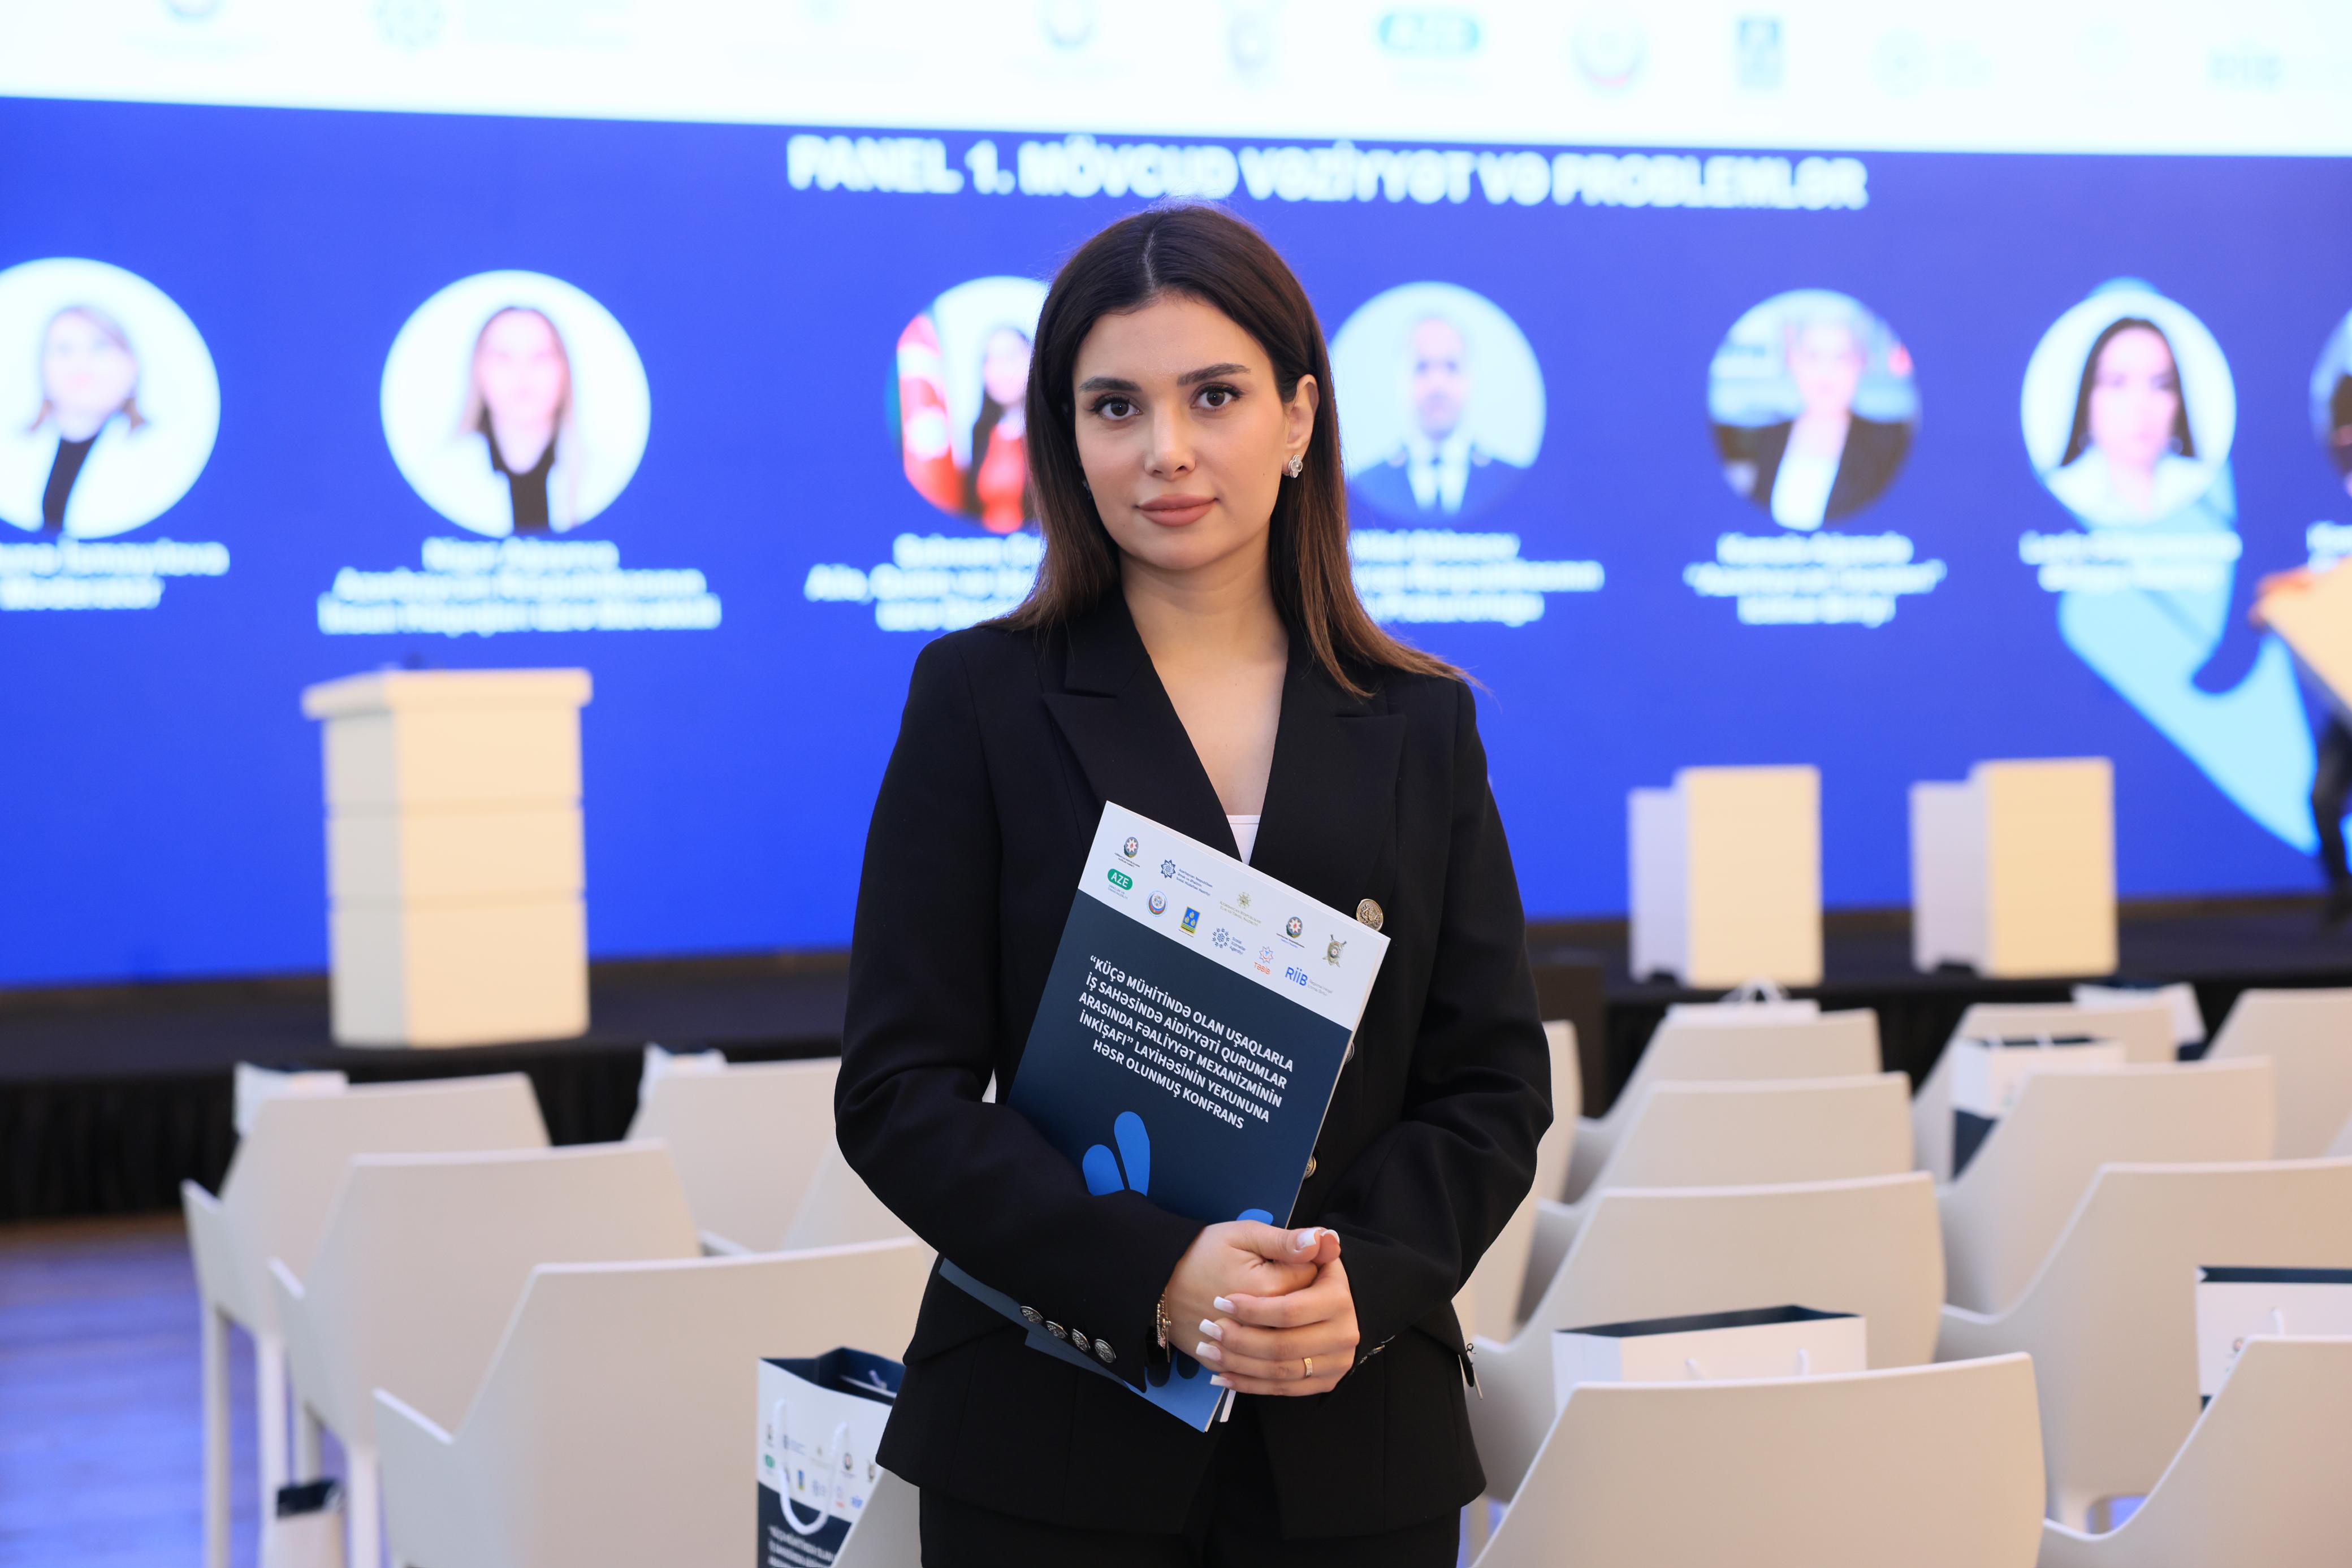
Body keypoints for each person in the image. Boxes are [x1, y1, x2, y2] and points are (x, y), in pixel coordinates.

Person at [836, 205, 1551, 1566]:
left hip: (1353, 1438)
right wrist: (1154, 1277)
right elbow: (897, 1092)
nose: (1164, 448)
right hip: (1046, 1438)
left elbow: (1492, 1086)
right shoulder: (979, 698)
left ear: (1298, 420)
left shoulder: (1417, 721)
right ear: (1067, 439)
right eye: (1116, 406)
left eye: (1213, 396)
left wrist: (1359, 1285)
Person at [409, 305, 593, 535]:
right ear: (479, 370)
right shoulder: (440, 479)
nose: (522, 373)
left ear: (564, 370)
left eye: (541, 356)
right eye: (503, 357)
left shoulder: (601, 477)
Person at [1732, 306, 1911, 529]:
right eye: (1813, 355)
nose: (1826, 371)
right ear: (1794, 361)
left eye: (1841, 357)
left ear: (1861, 363)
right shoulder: (1770, 436)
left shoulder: (1890, 441)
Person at [1348, 313, 1525, 522]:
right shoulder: (1368, 484)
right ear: (1400, 380)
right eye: (1422, 367)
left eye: (1451, 366)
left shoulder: (1508, 480)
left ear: (1471, 378)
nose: (1437, 385)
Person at [2252, 562, 2352, 926]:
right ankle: (2343, 887)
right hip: (2345, 715)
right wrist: (2281, 603)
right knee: (2322, 799)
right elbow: (2267, 595)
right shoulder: (2342, 578)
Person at [0, 304, 149, 535]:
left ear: (131, 365)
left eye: (99, 347)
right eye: (64, 350)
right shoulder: (10, 450)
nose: (81, 363)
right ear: (42, 368)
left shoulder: (166, 451)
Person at [2046, 316, 2210, 526]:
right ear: (2087, 398)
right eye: (2117, 383)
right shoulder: (2058, 491)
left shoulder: (2208, 494)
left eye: (2161, 385)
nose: (2140, 405)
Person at [963, 324, 1033, 532]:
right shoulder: (980, 433)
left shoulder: (1053, 433)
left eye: (1011, 357)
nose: (1000, 370)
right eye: (990, 360)